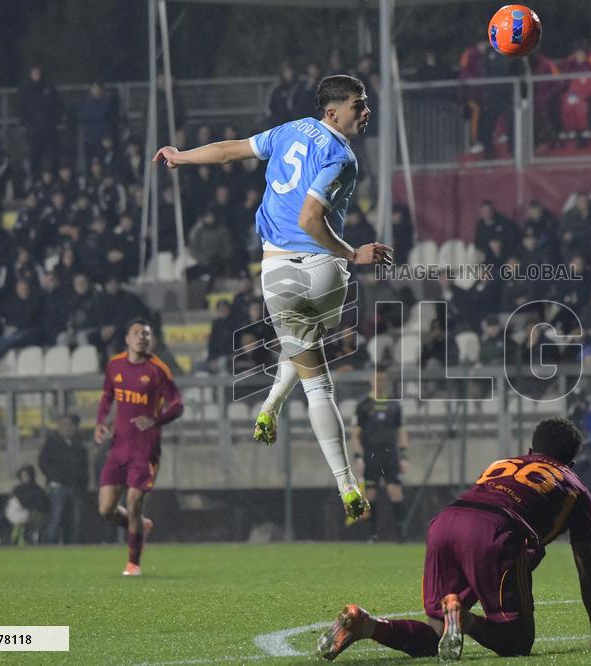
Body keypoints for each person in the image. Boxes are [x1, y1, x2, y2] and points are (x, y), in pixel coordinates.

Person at [153, 74, 391, 523]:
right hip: (324, 272)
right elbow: (311, 217)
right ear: (332, 112)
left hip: (278, 270)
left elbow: (228, 151)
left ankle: (330, 467)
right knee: (311, 363)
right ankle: (318, 455)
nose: (365, 112)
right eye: (358, 105)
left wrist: (180, 156)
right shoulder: (342, 156)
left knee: (309, 363)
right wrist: (351, 252)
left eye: (365, 105)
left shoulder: (289, 130)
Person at [317, 417, 591, 661]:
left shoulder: (504, 463)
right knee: (518, 643)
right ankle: (464, 618)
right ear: (572, 463)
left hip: (446, 522)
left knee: (436, 635)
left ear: (529, 449)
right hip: (493, 531)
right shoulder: (574, 486)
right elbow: (588, 569)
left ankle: (366, 624)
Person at [95, 318, 184, 576]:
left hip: (145, 449)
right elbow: (107, 396)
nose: (141, 337)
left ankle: (133, 564)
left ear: (150, 339)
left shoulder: (158, 369)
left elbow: (178, 405)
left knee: (133, 503)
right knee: (106, 509)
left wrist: (155, 420)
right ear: (127, 338)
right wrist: (101, 422)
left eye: (146, 334)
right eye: (136, 333)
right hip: (119, 447)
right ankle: (141, 527)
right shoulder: (115, 365)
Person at [352, 367, 407, 541]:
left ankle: (400, 533)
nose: (380, 383)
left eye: (383, 380)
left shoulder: (394, 404)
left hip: (390, 452)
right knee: (370, 491)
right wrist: (358, 457)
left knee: (395, 489)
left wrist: (404, 455)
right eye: (377, 379)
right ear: (371, 380)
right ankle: (372, 533)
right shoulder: (363, 404)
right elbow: (355, 434)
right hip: (371, 453)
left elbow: (401, 430)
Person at [39, 414, 89, 544]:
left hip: (75, 486)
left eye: (70, 425)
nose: (68, 428)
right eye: (65, 425)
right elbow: (43, 462)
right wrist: (55, 478)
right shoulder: (52, 442)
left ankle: (72, 544)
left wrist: (83, 483)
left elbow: (84, 466)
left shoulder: (78, 445)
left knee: (75, 519)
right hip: (58, 486)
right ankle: (50, 544)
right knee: (56, 516)